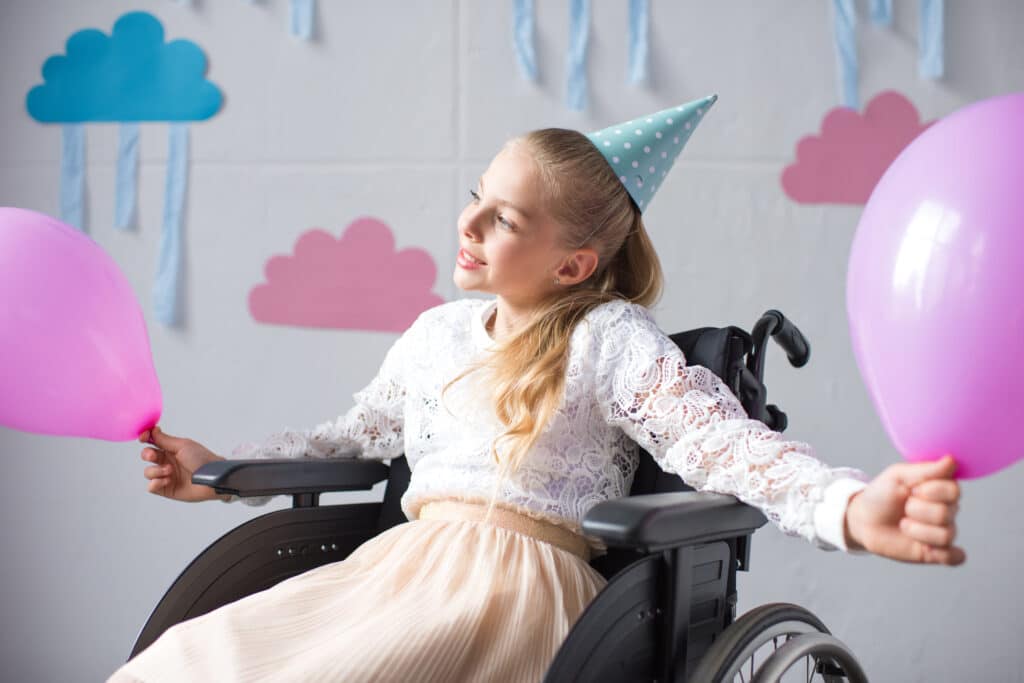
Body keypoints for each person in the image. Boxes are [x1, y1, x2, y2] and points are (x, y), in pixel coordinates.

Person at [109, 95, 964, 683]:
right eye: (476, 198)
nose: (469, 226)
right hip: (397, 572)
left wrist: (847, 506)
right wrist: (220, 467)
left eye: (503, 219)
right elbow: (349, 439)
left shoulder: (607, 339)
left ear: (574, 263)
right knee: (196, 660)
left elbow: (726, 444)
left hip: (514, 592)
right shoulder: (436, 334)